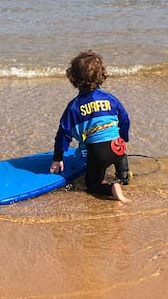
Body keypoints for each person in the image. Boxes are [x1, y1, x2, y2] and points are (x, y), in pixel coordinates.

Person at [50, 50, 131, 203]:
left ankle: (111, 189)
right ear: (101, 75)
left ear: (73, 77)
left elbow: (64, 133)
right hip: (118, 147)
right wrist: (123, 137)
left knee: (92, 184)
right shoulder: (111, 99)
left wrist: (57, 158)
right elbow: (125, 119)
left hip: (98, 152)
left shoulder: (74, 106)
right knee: (119, 156)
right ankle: (124, 177)